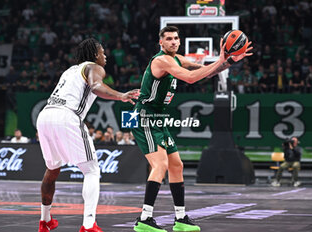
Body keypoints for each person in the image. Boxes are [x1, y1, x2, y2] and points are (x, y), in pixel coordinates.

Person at [131, 26, 252, 232]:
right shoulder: (161, 61)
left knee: (176, 165)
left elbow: (206, 72)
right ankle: (144, 219)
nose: (174, 42)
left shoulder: (178, 59)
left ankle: (180, 219)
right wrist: (222, 59)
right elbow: (190, 78)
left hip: (159, 119)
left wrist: (229, 61)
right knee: (160, 166)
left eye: (176, 38)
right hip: (145, 118)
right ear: (161, 42)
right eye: (169, 39)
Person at [36, 38, 139, 232]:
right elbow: (96, 87)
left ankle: (45, 221)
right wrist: (121, 95)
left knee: (52, 170)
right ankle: (89, 224)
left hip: (46, 114)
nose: (105, 56)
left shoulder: (70, 70)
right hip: (67, 115)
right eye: (102, 52)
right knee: (91, 170)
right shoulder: (94, 67)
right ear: (94, 55)